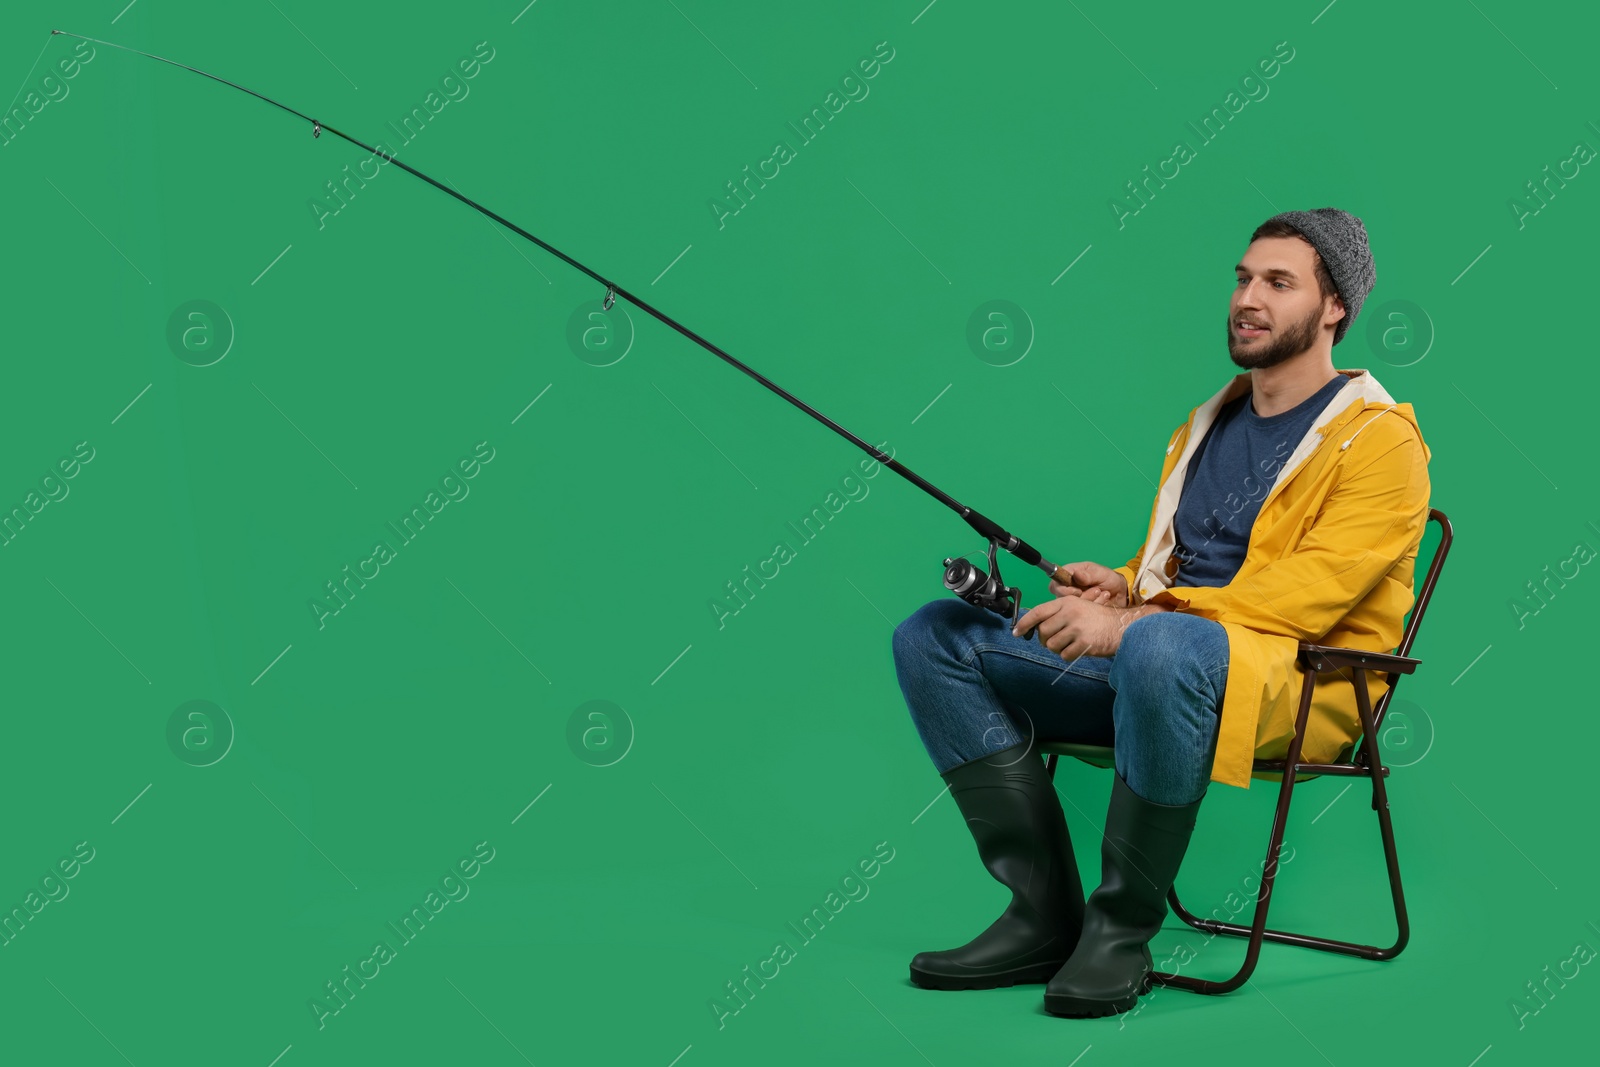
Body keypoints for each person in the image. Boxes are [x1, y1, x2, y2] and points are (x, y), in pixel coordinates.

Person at [891, 208, 1432, 1018]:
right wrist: (1119, 587)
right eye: (1244, 277)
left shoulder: (1381, 442)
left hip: (1299, 684)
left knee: (1161, 648)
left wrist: (1138, 624)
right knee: (936, 635)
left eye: (1278, 283)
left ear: (1334, 310)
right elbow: (1182, 571)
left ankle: (1117, 934)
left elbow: (1307, 592)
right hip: (1160, 668)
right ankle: (1041, 915)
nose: (1248, 297)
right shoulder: (1205, 425)